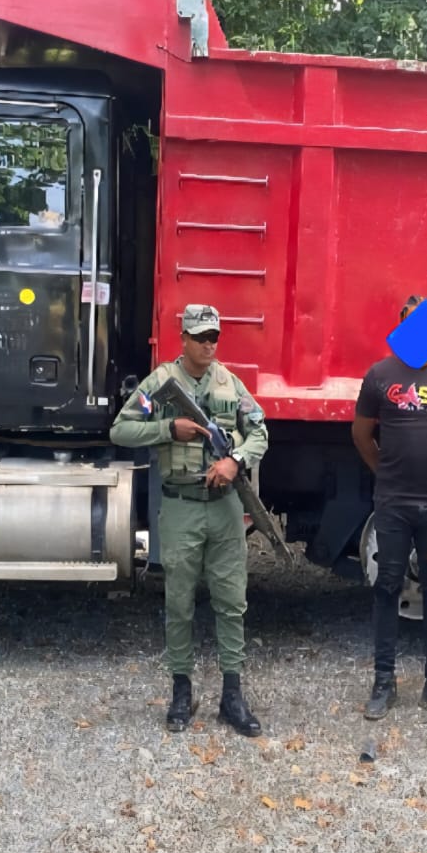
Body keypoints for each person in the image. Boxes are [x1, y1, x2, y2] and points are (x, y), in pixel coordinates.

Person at [110, 304, 270, 736]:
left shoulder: (230, 384)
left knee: (231, 602)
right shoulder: (160, 384)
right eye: (200, 336)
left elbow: (260, 432)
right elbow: (120, 430)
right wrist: (167, 430)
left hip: (223, 507)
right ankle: (182, 690)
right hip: (180, 506)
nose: (208, 344)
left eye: (214, 336)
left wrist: (235, 461)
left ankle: (232, 696)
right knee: (178, 603)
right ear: (183, 337)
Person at [351, 296, 427, 723]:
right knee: (387, 587)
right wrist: (386, 470)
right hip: (393, 503)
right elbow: (362, 434)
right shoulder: (380, 375)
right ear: (401, 326)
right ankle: (383, 682)